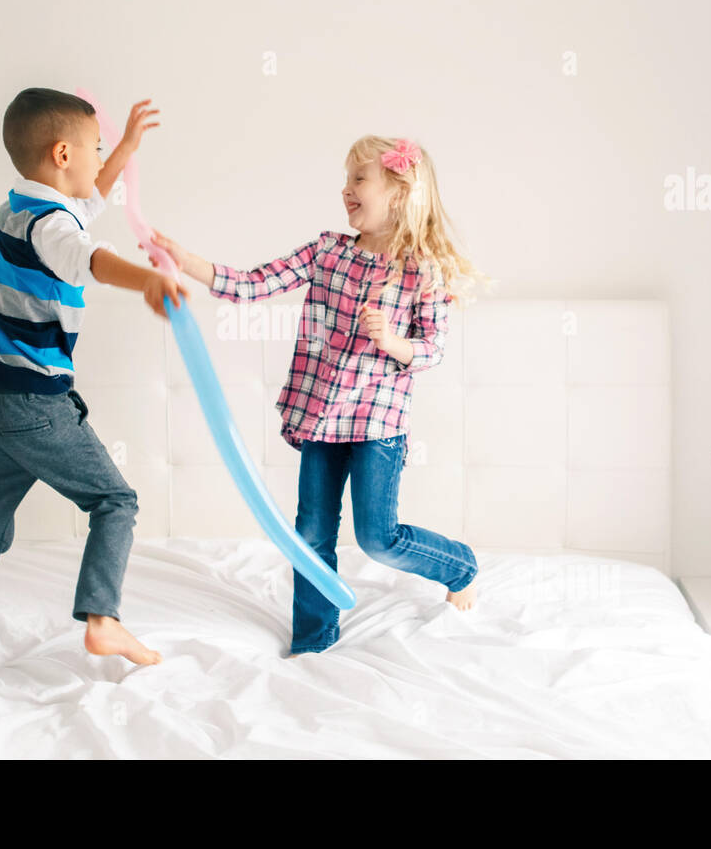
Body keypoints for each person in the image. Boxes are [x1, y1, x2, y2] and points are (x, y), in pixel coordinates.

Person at [144, 135, 491, 655]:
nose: (345, 190)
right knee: (310, 534)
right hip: (322, 417)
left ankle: (458, 566)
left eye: (358, 180)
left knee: (379, 538)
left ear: (398, 192)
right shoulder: (327, 251)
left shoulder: (423, 270)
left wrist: (391, 341)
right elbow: (250, 285)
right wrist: (184, 259)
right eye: (346, 179)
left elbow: (432, 348)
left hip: (378, 425)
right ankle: (314, 639)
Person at [0, 88, 187, 670]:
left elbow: (87, 202)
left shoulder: (18, 206)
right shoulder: (53, 227)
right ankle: (102, 620)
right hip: (32, 404)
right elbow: (85, 256)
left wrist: (123, 147)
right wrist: (145, 279)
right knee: (115, 501)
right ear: (64, 154)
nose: (101, 164)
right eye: (93, 150)